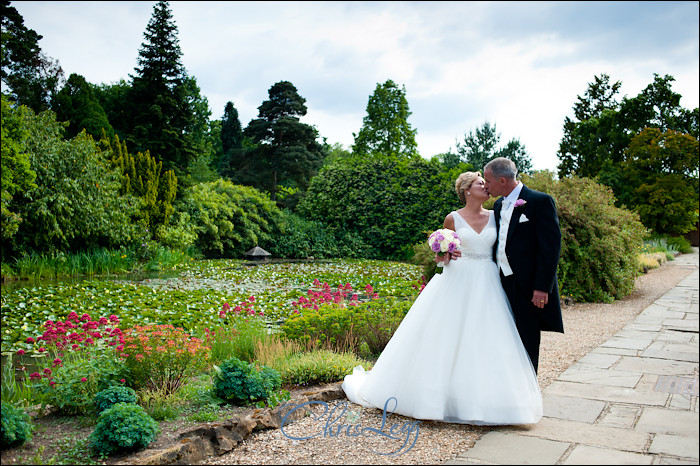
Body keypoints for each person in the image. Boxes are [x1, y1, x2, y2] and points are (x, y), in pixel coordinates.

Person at [342, 172, 542, 425]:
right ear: (467, 190)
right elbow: (442, 254)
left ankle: (488, 401)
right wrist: (442, 255)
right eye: (481, 183)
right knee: (445, 336)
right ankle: (434, 398)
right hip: (456, 280)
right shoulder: (453, 218)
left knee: (486, 338)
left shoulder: (496, 216)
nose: (486, 186)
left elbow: (506, 247)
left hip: (488, 281)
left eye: (486, 183)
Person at [482, 157, 564, 374]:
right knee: (504, 337)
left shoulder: (539, 201)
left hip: (528, 286)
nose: (485, 185)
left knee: (527, 338)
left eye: (488, 181)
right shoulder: (499, 205)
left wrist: (541, 287)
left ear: (501, 180)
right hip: (501, 283)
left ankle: (528, 392)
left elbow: (550, 248)